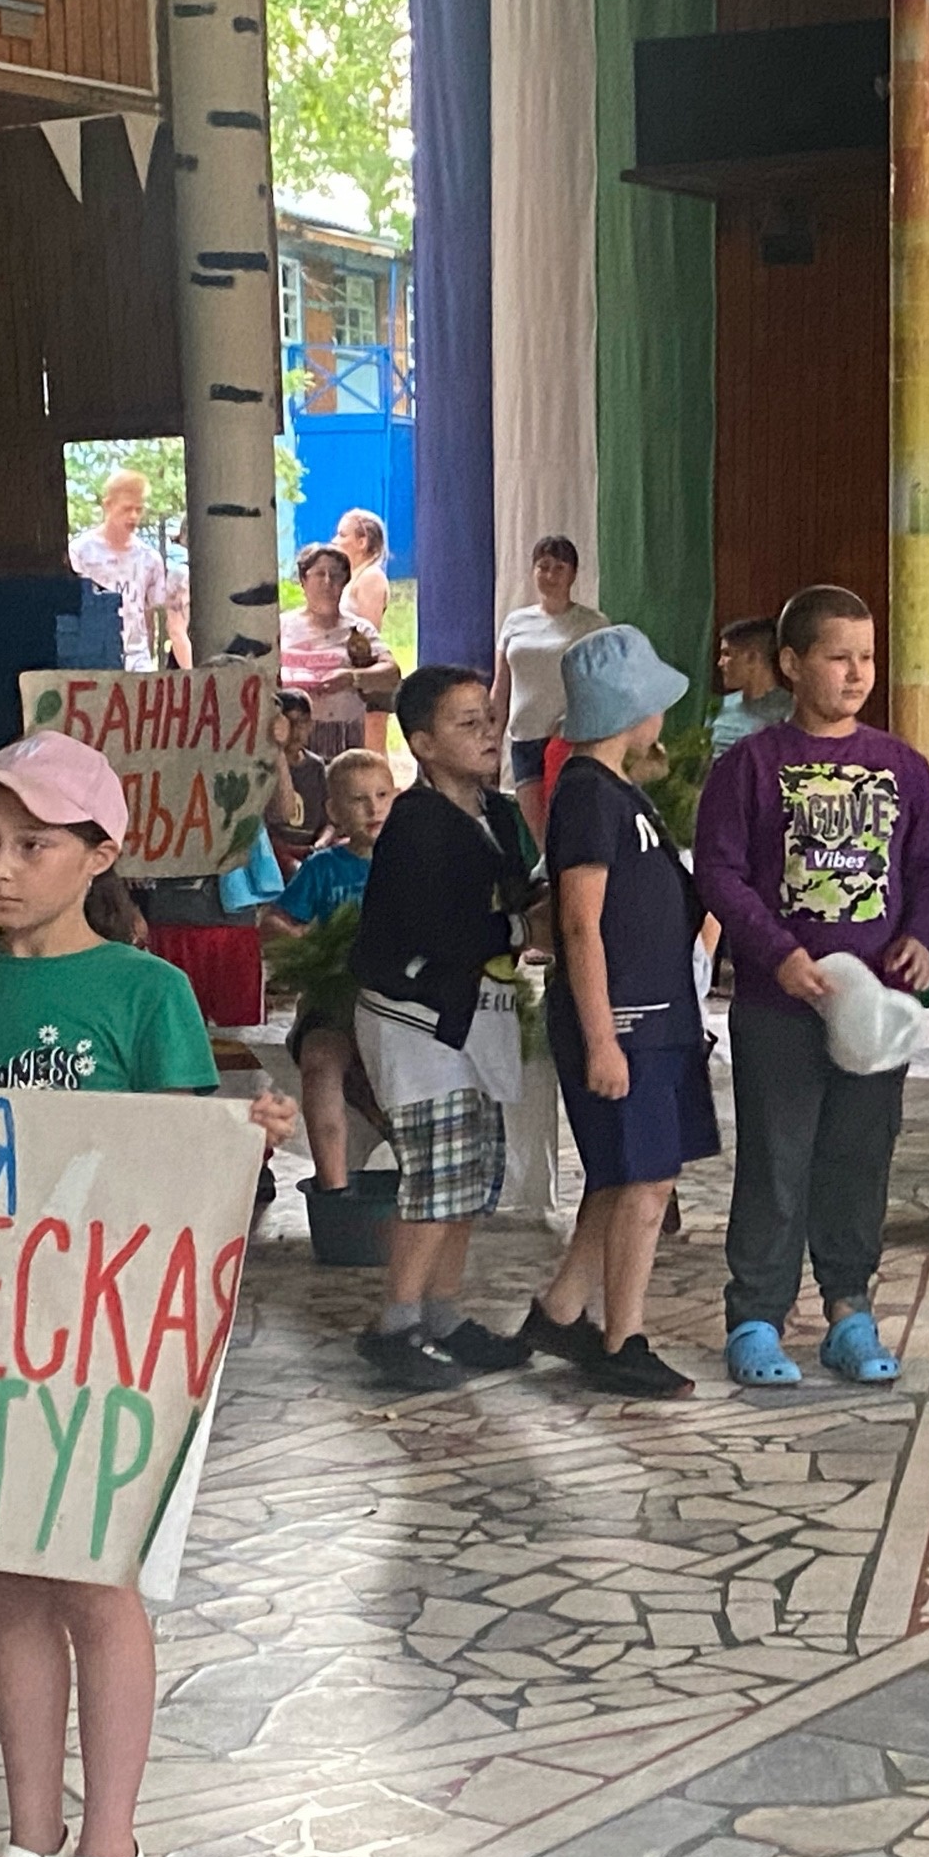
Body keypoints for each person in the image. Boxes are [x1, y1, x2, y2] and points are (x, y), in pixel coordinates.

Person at [0, 729, 293, 1857]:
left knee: (98, 1586)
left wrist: (242, 1139)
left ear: (100, 853)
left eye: (33, 844)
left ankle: (111, 1842)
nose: (0, 867)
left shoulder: (145, 991)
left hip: (103, 1338)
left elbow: (184, 1165)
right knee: (12, 1586)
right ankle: (31, 1839)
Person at [694, 585, 929, 1389]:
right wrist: (776, 953)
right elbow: (720, 873)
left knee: (859, 1157)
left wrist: (920, 938)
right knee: (776, 1160)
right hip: (779, 1006)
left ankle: (849, 1310)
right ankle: (756, 1317)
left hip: (871, 1012)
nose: (856, 673)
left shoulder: (901, 767)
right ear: (791, 664)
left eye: (866, 657)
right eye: (838, 657)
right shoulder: (750, 766)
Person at [519, 628, 718, 1399]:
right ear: (632, 708)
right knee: (646, 1183)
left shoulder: (616, 792)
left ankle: (561, 1310)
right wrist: (602, 1039)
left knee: (619, 1175)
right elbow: (579, 922)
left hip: (656, 1020)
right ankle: (622, 1337)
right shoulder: (587, 796)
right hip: (626, 1025)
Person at [349, 664, 541, 1391]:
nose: (488, 733)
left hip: (474, 1014)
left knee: (470, 1173)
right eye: (467, 723)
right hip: (417, 1019)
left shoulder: (498, 813)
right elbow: (445, 928)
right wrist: (525, 926)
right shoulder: (416, 824)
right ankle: (395, 1324)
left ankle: (444, 1314)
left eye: (489, 718)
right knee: (434, 1177)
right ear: (423, 744)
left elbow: (516, 892)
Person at [263, 748, 395, 1193]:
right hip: (334, 1003)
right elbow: (274, 923)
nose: (373, 808)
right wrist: (306, 941)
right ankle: (333, 1187)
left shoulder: (413, 862)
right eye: (358, 799)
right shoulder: (323, 868)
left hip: (401, 1006)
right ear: (334, 811)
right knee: (319, 1064)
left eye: (382, 795)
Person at [490, 535, 605, 842]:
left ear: (573, 574)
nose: (550, 575)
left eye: (559, 568)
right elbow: (501, 687)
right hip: (524, 738)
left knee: (569, 828)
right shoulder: (515, 622)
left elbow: (602, 687)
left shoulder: (592, 624)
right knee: (540, 836)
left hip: (570, 739)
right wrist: (491, 737)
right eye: (543, 567)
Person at [280, 542, 397, 759]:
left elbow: (391, 672)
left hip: (343, 738)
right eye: (319, 574)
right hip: (290, 741)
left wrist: (352, 678)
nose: (327, 582)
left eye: (335, 575)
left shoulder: (358, 629)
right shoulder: (282, 627)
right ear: (303, 580)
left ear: (345, 582)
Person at [69, 468, 191, 673]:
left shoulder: (149, 559)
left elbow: (148, 616)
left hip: (137, 662)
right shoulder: (80, 552)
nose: (133, 516)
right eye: (126, 509)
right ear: (108, 505)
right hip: (94, 661)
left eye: (139, 509)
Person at [262, 688, 330, 872]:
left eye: (302, 723)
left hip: (312, 848)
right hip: (277, 850)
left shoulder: (316, 766)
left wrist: (321, 844)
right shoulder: (266, 765)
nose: (296, 731)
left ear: (311, 725)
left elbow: (330, 821)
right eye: (289, 723)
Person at [709, 617, 790, 761]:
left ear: (752, 658)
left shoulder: (790, 711)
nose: (720, 663)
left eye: (727, 654)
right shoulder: (719, 706)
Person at [336, 508, 392, 632]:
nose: (334, 541)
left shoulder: (371, 577)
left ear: (362, 542)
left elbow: (369, 633)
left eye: (342, 535)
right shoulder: (354, 577)